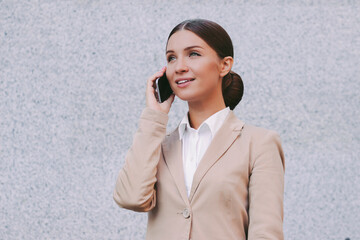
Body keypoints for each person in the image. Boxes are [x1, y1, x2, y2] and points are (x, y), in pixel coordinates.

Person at [113, 18, 285, 240]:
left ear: (225, 65)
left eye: (193, 54)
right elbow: (130, 198)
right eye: (171, 58)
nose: (180, 66)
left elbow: (266, 234)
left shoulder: (259, 143)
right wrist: (154, 118)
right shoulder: (158, 144)